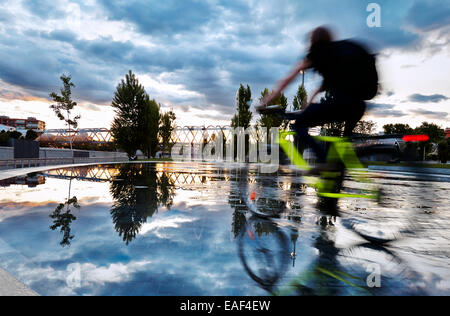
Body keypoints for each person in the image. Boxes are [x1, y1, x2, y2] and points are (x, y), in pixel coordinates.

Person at [256, 26, 378, 166]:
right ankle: (336, 176)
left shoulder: (318, 53)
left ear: (313, 40)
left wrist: (265, 102)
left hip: (340, 105)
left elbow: (287, 81)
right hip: (358, 107)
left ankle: (324, 162)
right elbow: (320, 88)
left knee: (299, 125)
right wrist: (308, 106)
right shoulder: (340, 55)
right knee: (342, 148)